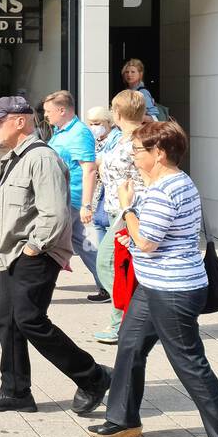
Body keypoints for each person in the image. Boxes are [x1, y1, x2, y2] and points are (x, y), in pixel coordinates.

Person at [88, 121, 218, 437]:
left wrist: (126, 207)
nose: (133, 156)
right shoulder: (167, 182)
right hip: (154, 285)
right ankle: (123, 420)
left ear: (159, 153)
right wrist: (131, 232)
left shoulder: (167, 189)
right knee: (131, 346)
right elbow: (149, 237)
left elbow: (148, 242)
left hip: (173, 290)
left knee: (190, 364)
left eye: (138, 151)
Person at [0, 96, 112, 414]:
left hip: (36, 252)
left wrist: (34, 247)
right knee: (7, 320)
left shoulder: (42, 158)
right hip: (12, 252)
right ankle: (15, 391)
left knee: (29, 319)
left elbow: (54, 214)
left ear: (21, 121)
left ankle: (93, 376)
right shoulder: (14, 158)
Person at [85, 90, 148, 344]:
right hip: (116, 211)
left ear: (117, 113)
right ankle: (121, 322)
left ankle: (131, 316)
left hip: (128, 213)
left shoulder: (138, 141)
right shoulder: (121, 139)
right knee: (120, 269)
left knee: (104, 262)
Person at [42, 90, 100, 290]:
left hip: (71, 199)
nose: (46, 115)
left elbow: (89, 170)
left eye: (48, 111)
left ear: (62, 110)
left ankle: (39, 283)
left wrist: (86, 204)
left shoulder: (79, 133)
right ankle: (109, 285)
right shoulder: (62, 132)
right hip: (64, 197)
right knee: (84, 244)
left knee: (51, 242)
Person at [82, 105, 115, 303]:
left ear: (108, 123)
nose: (95, 127)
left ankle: (111, 289)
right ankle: (106, 288)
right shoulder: (96, 141)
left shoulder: (115, 139)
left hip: (111, 196)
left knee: (108, 249)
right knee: (101, 245)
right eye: (92, 124)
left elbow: (98, 164)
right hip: (100, 196)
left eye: (98, 123)